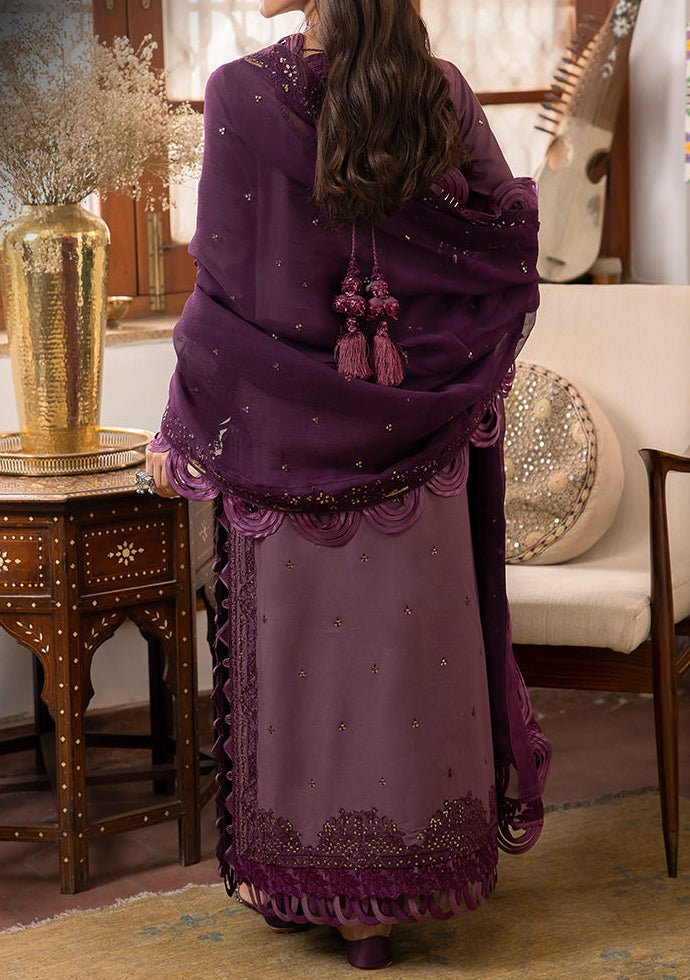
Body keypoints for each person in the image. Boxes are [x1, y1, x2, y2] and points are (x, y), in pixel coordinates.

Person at [143, 0, 551, 970]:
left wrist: (181, 422)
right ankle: (386, 898)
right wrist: (445, 364)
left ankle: (319, 884)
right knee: (403, 671)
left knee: (313, 673)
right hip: (420, 439)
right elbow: (507, 240)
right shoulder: (436, 93)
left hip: (287, 445)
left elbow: (224, 287)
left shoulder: (241, 95)